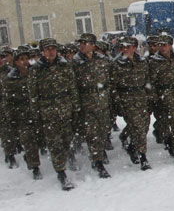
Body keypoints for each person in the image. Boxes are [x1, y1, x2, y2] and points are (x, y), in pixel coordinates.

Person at [28, 38, 80, 190]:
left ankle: (66, 159)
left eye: (53, 48)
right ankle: (61, 172)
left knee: (66, 139)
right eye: (47, 49)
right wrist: (36, 114)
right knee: (54, 143)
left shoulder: (65, 66)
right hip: (47, 111)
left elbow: (72, 88)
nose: (50, 52)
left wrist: (75, 107)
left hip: (65, 108)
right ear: (42, 52)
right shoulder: (36, 70)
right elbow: (33, 95)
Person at [72, 33, 112, 178]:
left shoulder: (102, 60)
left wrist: (109, 98)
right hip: (86, 103)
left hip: (102, 101)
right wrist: (76, 105)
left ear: (93, 45)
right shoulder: (75, 63)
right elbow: (73, 86)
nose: (82, 45)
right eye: (81, 42)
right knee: (92, 133)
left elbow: (108, 81)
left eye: (86, 42)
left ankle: (99, 153)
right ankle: (98, 161)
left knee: (103, 132)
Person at [110, 36, 152, 170]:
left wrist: (149, 97)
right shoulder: (117, 65)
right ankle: (143, 157)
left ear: (135, 48)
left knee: (144, 126)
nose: (125, 49)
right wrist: (118, 102)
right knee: (138, 127)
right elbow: (113, 86)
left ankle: (132, 146)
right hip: (127, 100)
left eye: (128, 47)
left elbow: (147, 81)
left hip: (141, 99)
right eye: (123, 47)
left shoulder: (142, 62)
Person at [1, 46, 42, 178]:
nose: (25, 62)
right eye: (21, 59)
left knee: (40, 139)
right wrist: (11, 117)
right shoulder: (11, 79)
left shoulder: (35, 73)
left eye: (27, 59)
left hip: (37, 112)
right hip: (22, 114)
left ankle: (30, 157)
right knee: (29, 141)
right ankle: (35, 167)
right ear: (16, 61)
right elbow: (7, 101)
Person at [149, 34, 174, 163]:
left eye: (164, 45)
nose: (162, 48)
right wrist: (155, 97)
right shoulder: (154, 62)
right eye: (160, 45)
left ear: (171, 46)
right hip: (165, 95)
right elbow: (151, 82)